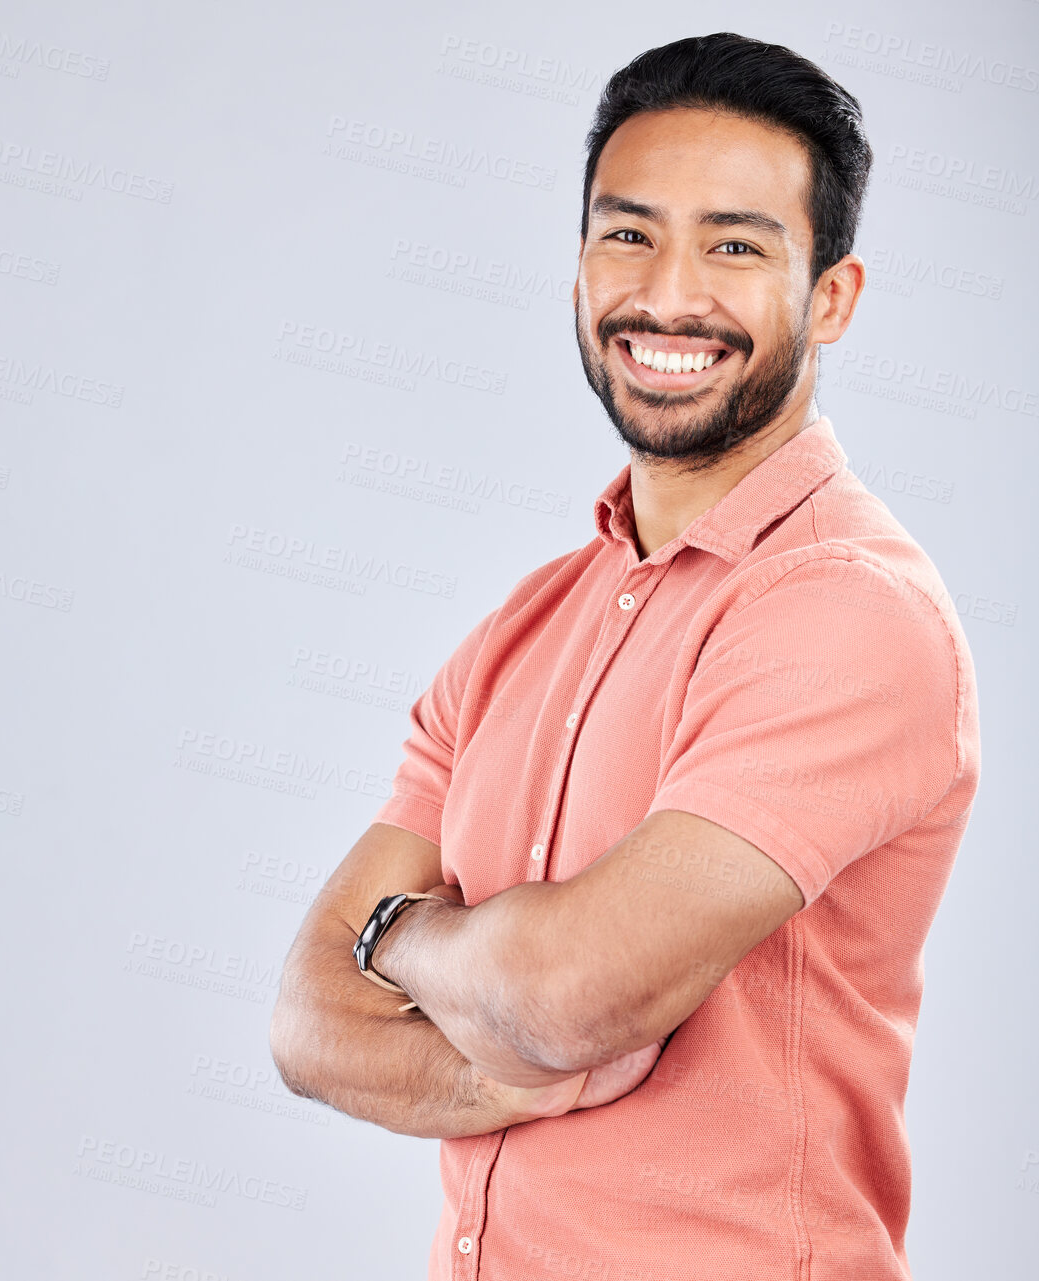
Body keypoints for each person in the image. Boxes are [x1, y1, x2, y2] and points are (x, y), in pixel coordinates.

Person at [269, 31, 980, 1281]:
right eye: (628, 233)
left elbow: (571, 1001)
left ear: (830, 297)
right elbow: (308, 1024)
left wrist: (400, 941)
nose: (669, 294)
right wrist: (511, 1039)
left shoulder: (847, 613)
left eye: (736, 245)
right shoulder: (526, 626)